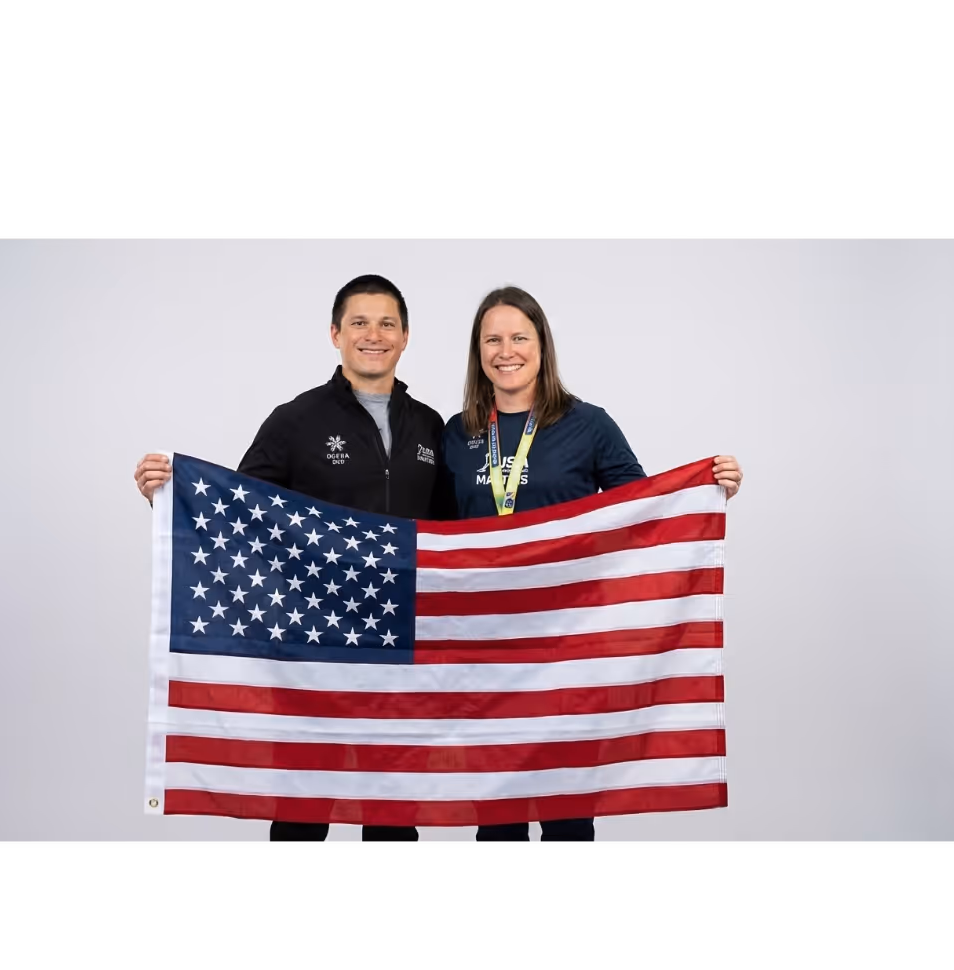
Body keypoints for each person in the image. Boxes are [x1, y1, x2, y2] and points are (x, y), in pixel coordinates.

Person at [135, 274, 455, 842]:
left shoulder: (431, 426)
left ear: (406, 337)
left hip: (399, 643)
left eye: (387, 324)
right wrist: (169, 492)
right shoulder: (296, 420)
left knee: (393, 817)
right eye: (359, 322)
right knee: (303, 811)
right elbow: (234, 510)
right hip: (313, 646)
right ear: (335, 334)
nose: (373, 335)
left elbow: (454, 532)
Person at [442, 286, 743, 843]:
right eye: (492, 339)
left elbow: (648, 510)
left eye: (519, 337)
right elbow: (434, 534)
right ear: (477, 352)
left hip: (569, 648)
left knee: (568, 812)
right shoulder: (458, 435)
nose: (506, 351)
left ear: (541, 345)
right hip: (488, 649)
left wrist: (707, 489)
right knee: (497, 816)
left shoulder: (587, 424)